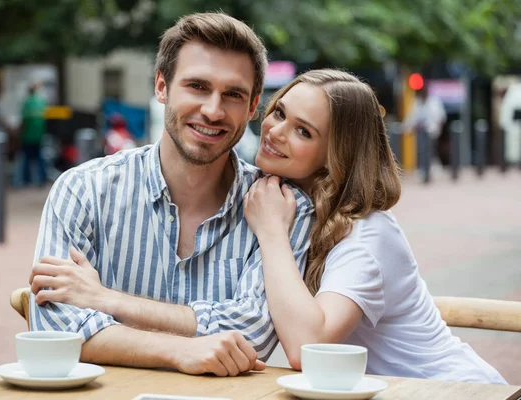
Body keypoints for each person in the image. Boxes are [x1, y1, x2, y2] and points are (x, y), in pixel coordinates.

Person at [27, 12, 314, 377]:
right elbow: (56, 331)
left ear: (254, 105)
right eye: (197, 86)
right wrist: (180, 350)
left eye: (233, 94)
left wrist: (108, 303)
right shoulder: (84, 190)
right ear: (161, 87)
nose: (212, 110)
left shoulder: (284, 208)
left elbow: (253, 335)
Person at [243, 69, 506, 384]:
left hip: (453, 390)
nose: (275, 131)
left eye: (303, 131)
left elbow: (307, 348)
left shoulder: (367, 233)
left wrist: (271, 233)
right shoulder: (294, 204)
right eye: (280, 113)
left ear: (336, 154)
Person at [402, 85, 447, 182]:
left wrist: (438, 127)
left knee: (430, 151)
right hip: (420, 132)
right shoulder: (417, 102)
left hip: (432, 131)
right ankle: (425, 171)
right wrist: (407, 127)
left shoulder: (434, 102)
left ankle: (430, 171)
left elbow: (441, 117)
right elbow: (411, 117)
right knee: (422, 151)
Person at [17, 81, 48, 187]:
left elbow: (24, 121)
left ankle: (26, 180)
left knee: (27, 158)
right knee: (40, 158)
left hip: (28, 135)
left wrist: (19, 134)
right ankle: (42, 179)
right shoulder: (41, 102)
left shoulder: (27, 102)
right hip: (39, 135)